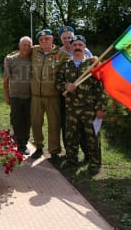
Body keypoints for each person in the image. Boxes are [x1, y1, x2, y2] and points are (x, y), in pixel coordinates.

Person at [56, 35, 106, 174]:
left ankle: (95, 163)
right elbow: (58, 83)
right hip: (71, 108)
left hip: (89, 109)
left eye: (80, 45)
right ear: (71, 48)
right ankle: (72, 160)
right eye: (75, 45)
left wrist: (101, 108)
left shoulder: (92, 65)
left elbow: (100, 88)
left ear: (84, 47)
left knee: (93, 137)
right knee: (71, 136)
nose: (77, 47)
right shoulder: (66, 66)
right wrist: (66, 86)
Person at [30, 29, 69, 161]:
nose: (44, 41)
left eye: (47, 38)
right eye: (41, 39)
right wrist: (9, 57)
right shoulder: (34, 51)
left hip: (53, 97)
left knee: (54, 124)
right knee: (36, 123)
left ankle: (54, 152)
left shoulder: (61, 54)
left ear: (52, 39)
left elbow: (74, 62)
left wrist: (93, 58)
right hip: (36, 96)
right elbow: (21, 51)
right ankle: (39, 147)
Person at [58, 25, 92, 161]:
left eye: (69, 37)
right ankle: (70, 153)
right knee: (68, 126)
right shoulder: (59, 52)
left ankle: (87, 152)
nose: (67, 40)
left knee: (84, 128)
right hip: (67, 97)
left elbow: (93, 64)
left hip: (84, 98)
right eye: (64, 38)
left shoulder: (85, 50)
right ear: (60, 39)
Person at [3, 36, 32, 155]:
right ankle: (21, 145)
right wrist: (6, 95)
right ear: (19, 46)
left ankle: (23, 140)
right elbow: (5, 79)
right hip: (15, 95)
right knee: (17, 119)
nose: (26, 47)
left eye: (28, 45)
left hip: (30, 95)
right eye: (24, 45)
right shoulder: (11, 59)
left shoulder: (33, 59)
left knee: (27, 120)